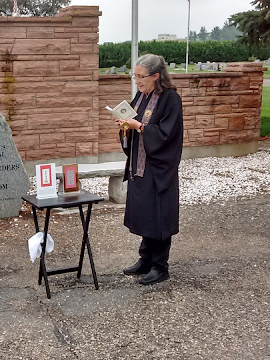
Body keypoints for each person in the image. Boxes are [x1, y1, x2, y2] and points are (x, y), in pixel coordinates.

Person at [114, 54, 184, 285]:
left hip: (159, 168)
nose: (137, 81)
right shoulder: (142, 96)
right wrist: (125, 125)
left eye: (140, 76)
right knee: (145, 214)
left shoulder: (170, 99)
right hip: (140, 166)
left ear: (156, 76)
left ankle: (160, 265)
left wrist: (140, 126)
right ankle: (145, 259)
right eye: (134, 76)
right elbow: (134, 122)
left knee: (159, 215)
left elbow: (167, 133)